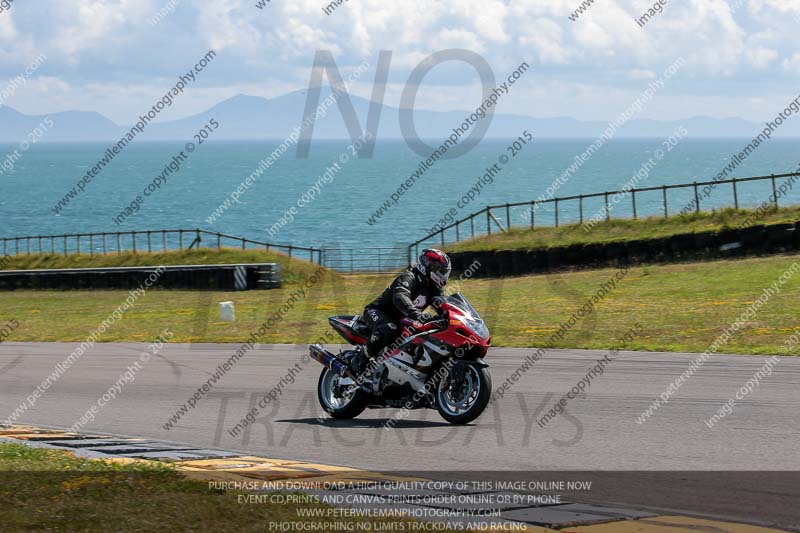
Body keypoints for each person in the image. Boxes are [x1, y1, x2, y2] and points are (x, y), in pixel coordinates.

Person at [359, 249, 452, 365]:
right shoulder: (409, 277)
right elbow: (400, 298)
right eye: (440, 271)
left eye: (444, 272)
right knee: (389, 328)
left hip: (403, 320)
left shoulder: (433, 288)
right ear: (428, 266)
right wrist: (418, 315)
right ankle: (359, 361)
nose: (442, 275)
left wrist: (450, 316)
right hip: (378, 311)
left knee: (426, 334)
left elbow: (442, 304)